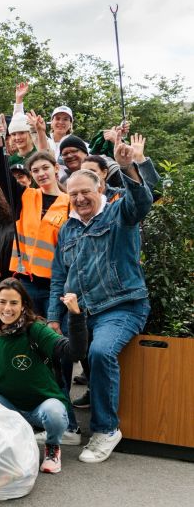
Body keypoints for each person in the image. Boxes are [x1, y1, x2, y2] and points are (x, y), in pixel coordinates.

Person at [48, 140, 153, 464]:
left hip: (121, 306)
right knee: (54, 351)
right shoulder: (67, 230)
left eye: (85, 192)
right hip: (79, 313)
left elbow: (142, 204)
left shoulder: (119, 211)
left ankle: (106, 429)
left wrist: (128, 167)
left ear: (101, 187)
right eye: (73, 193)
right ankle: (66, 426)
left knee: (100, 351)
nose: (79, 198)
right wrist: (53, 317)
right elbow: (57, 278)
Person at [0, 281, 87, 474]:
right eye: (2, 302)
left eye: (14, 303)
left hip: (41, 405)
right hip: (9, 403)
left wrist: (75, 316)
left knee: (54, 414)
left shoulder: (35, 329)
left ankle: (53, 446)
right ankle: (2, 445)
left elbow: (74, 353)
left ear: (23, 306)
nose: (7, 308)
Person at [0, 146, 69, 317]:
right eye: (35, 170)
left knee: (53, 333)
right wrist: (0, 145)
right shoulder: (25, 196)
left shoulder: (70, 202)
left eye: (45, 168)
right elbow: (2, 174)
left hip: (55, 284)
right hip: (27, 281)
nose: (41, 173)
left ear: (56, 168)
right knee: (31, 333)